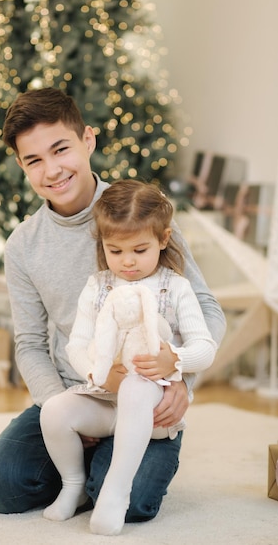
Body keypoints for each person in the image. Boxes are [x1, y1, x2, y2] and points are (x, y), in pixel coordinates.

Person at [0, 87, 226, 523]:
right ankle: (86, 471)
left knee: (135, 505)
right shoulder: (23, 246)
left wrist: (183, 378)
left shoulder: (143, 213)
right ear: (21, 165)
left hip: (145, 393)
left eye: (61, 149)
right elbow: (31, 344)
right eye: (34, 160)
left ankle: (109, 472)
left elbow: (205, 307)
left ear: (87, 140)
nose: (52, 170)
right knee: (3, 487)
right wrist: (63, 407)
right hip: (76, 392)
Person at [39, 179, 218, 535]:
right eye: (115, 251)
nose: (128, 262)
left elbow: (206, 347)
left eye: (139, 249)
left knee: (137, 386)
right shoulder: (98, 286)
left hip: (149, 413)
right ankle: (73, 485)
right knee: (53, 410)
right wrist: (98, 374)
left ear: (163, 240)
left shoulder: (176, 288)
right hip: (105, 401)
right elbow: (77, 344)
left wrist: (175, 361)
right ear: (103, 245)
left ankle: (115, 494)